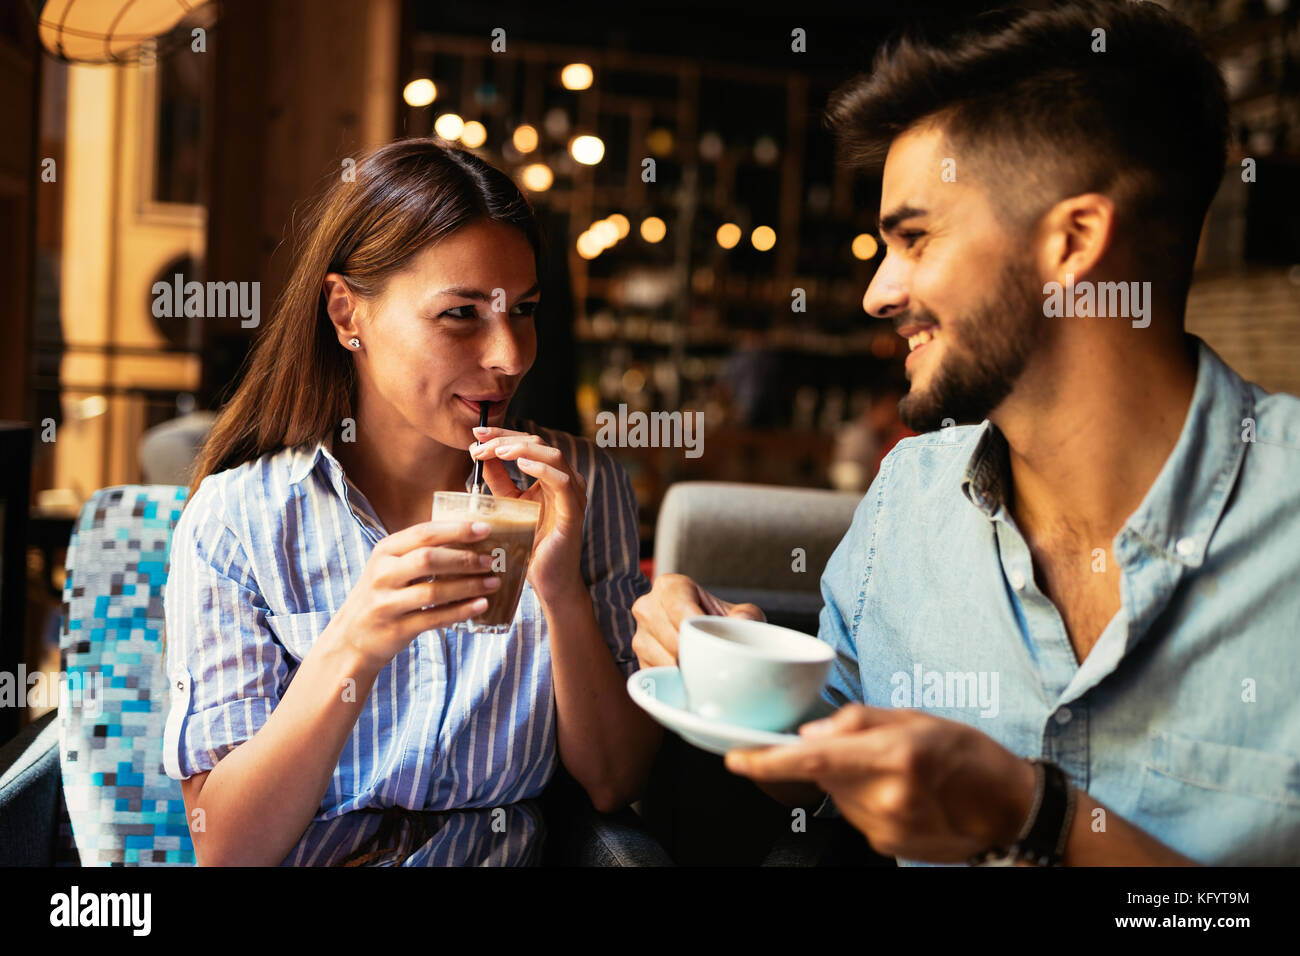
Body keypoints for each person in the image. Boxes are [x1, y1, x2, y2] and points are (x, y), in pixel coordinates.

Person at [632, 0, 1300, 866]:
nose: (877, 293)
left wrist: (1036, 818)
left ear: (1074, 242)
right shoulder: (909, 498)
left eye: (914, 238)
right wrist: (738, 671)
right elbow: (823, 767)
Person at [162, 139, 661, 866]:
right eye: (461, 313)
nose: (511, 356)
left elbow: (615, 782)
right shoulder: (239, 517)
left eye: (522, 310)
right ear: (346, 314)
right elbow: (227, 849)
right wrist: (355, 642)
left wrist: (560, 591)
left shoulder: (577, 486)